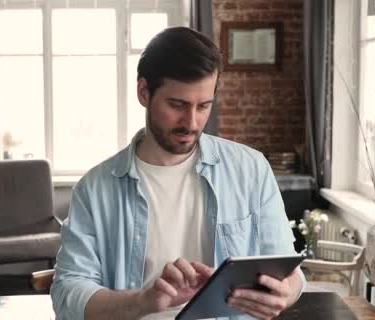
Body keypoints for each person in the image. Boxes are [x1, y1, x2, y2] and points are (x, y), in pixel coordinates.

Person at [50, 26, 305, 320]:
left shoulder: (251, 170)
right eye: (177, 105)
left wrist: (286, 292)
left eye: (204, 106)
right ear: (144, 92)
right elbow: (67, 293)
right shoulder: (94, 190)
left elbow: (290, 273)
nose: (192, 122)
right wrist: (143, 301)